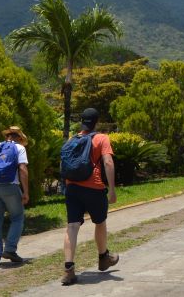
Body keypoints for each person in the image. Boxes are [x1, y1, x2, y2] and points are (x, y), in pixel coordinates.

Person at [61, 107, 118, 285]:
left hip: (72, 188)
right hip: (93, 187)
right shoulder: (101, 138)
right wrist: (112, 189)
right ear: (96, 122)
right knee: (100, 222)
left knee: (72, 226)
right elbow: (108, 162)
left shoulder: (72, 139)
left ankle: (68, 270)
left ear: (82, 122)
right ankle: (103, 258)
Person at [0, 125, 29, 267]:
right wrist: (26, 191)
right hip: (10, 187)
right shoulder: (20, 148)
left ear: (7, 136)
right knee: (17, 217)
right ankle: (9, 249)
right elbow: (22, 169)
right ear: (19, 138)